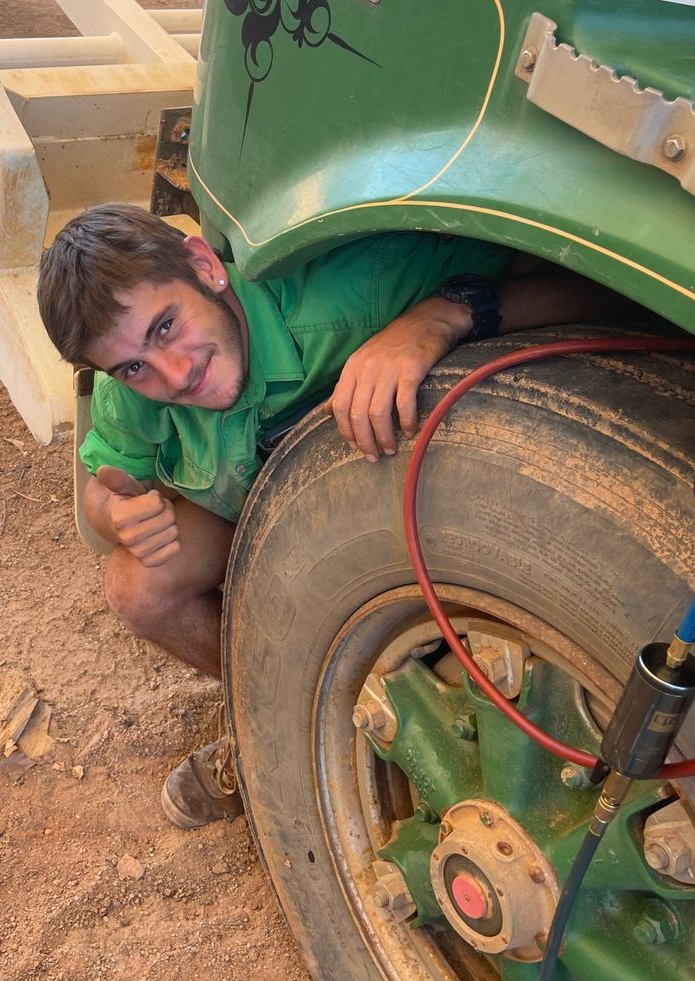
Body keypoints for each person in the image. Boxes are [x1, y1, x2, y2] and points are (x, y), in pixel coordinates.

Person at [37, 203, 621, 828]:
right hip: (253, 518)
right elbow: (106, 487)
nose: (174, 374)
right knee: (137, 588)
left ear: (204, 266)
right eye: (132, 367)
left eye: (166, 327)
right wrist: (115, 515)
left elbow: (595, 280)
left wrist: (437, 317)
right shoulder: (127, 392)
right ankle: (274, 731)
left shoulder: (358, 287)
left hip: (389, 507)